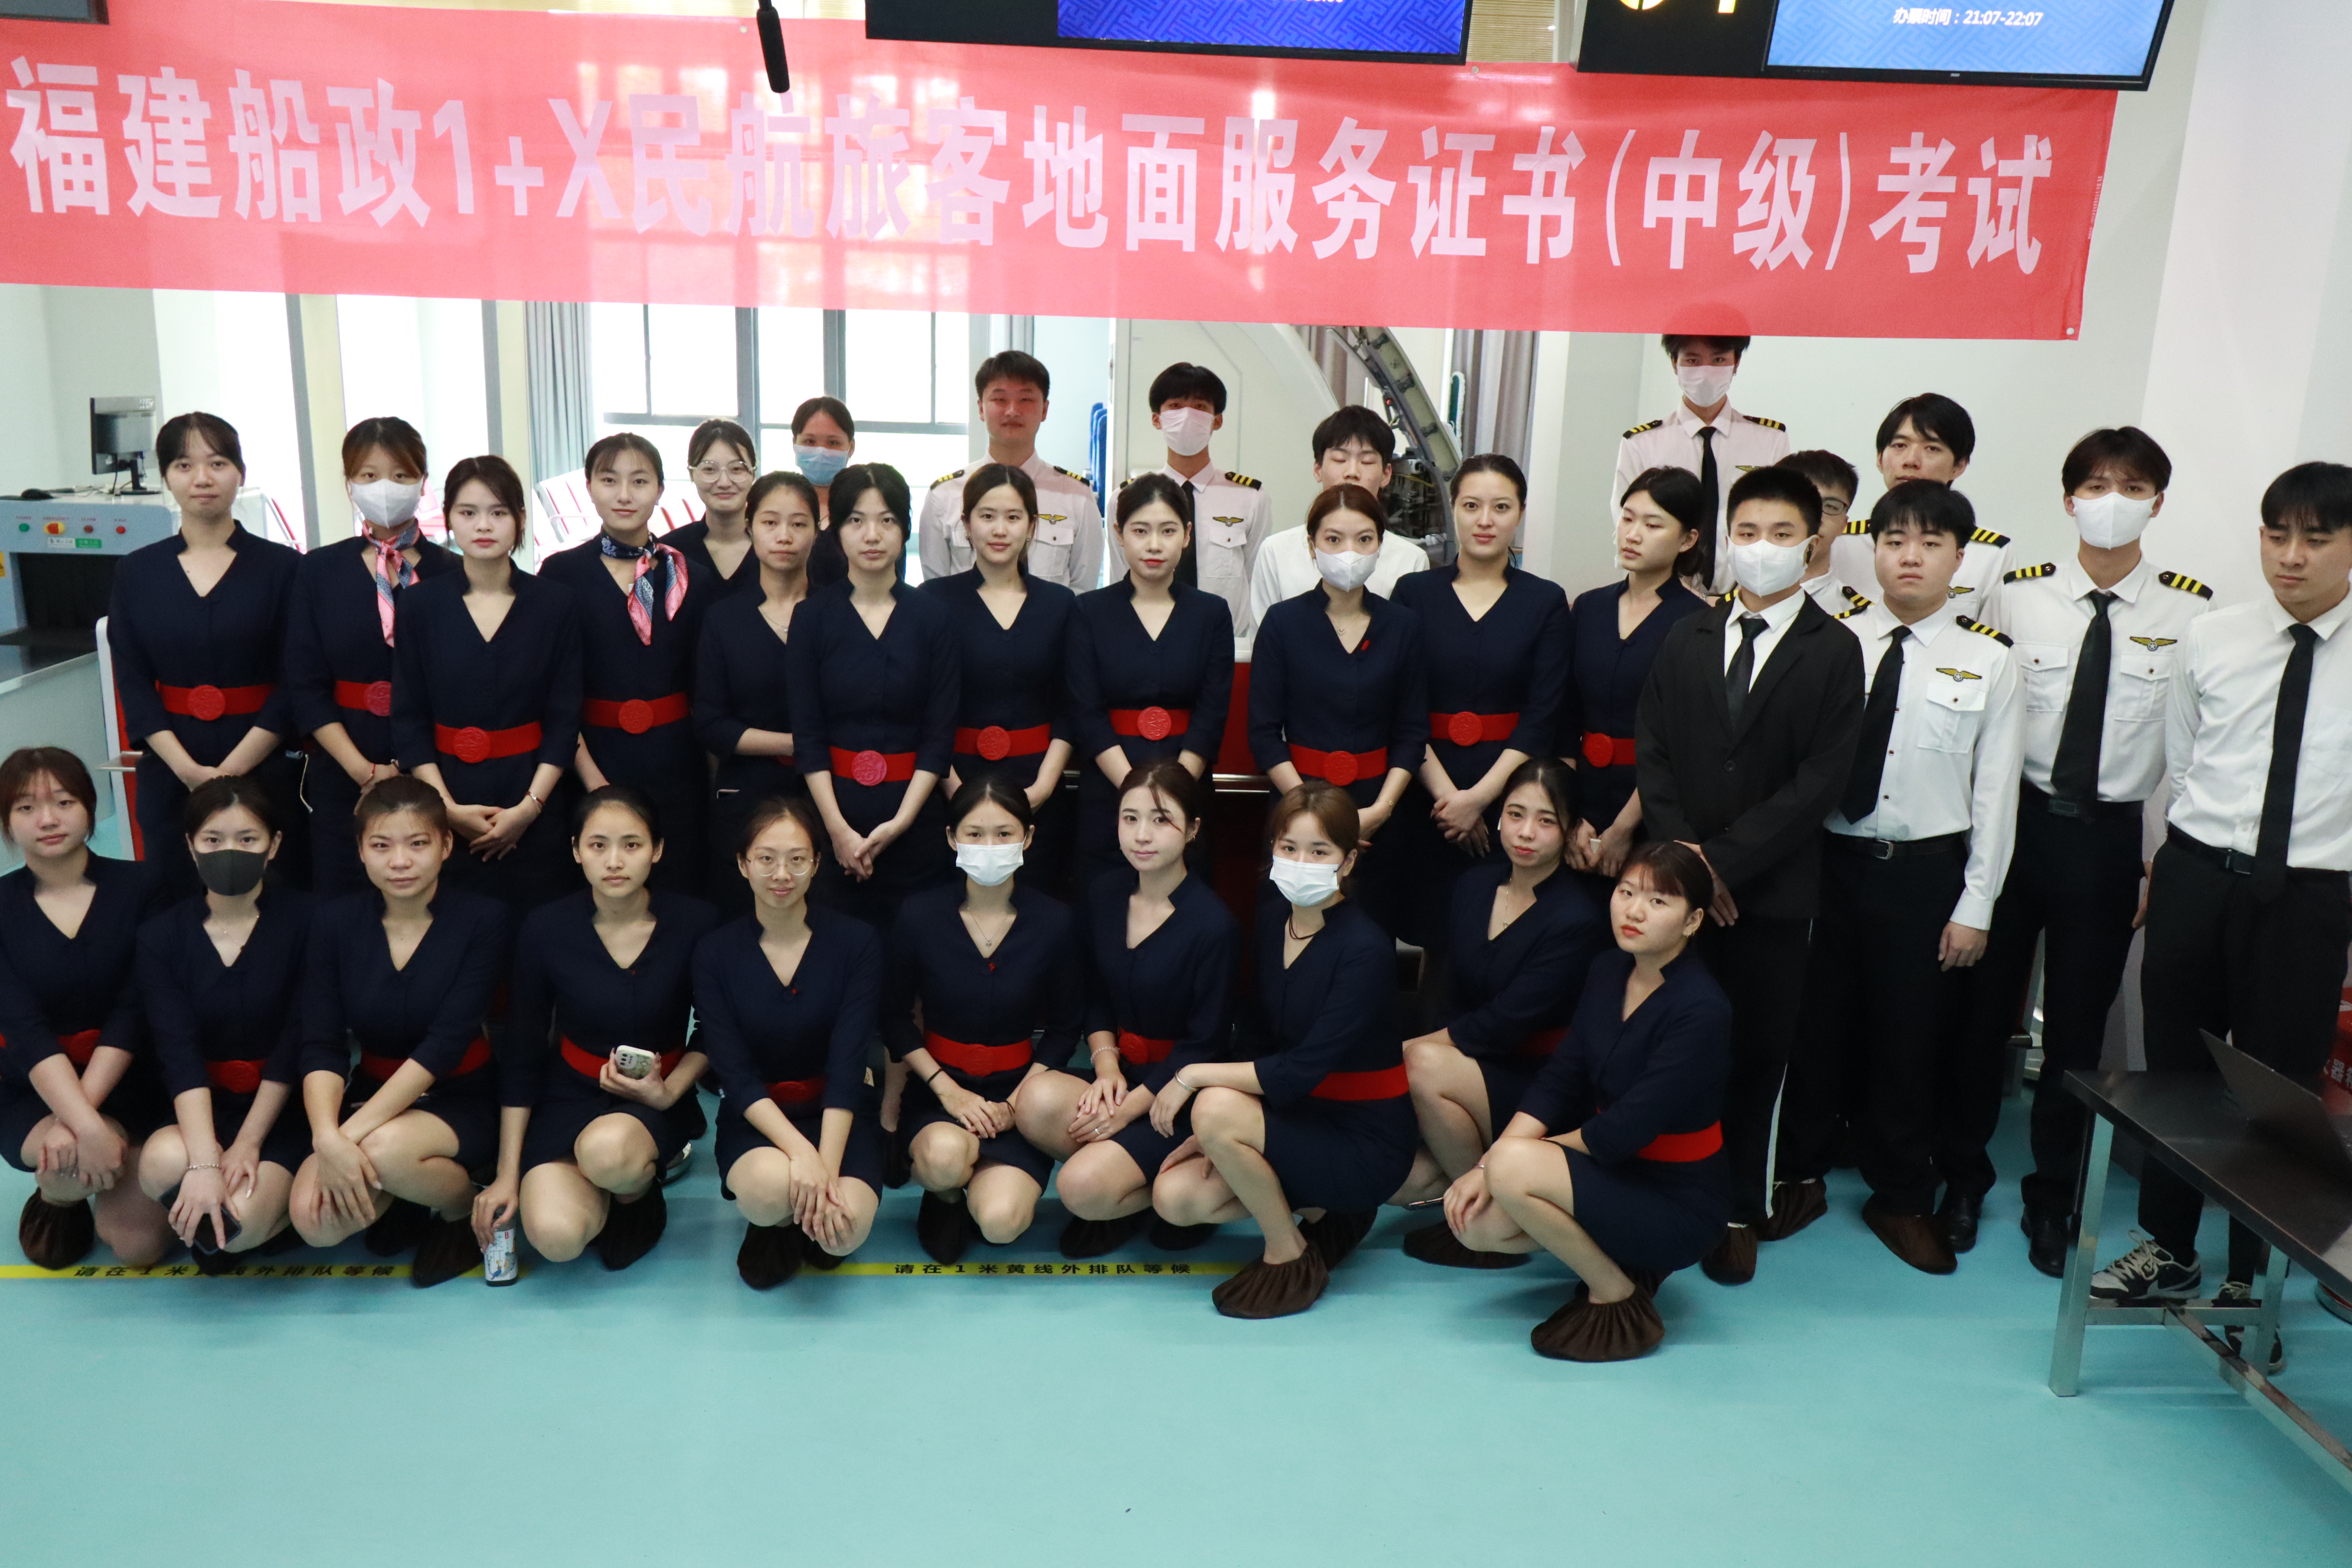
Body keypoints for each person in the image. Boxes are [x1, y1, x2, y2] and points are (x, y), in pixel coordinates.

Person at [2087, 461, 2352, 1375]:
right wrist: (2184, 864)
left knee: (2279, 1096)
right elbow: (2185, 755)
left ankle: (2252, 1279)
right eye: (2277, 535)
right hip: (2200, 875)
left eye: (2316, 538)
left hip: (2309, 894)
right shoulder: (2215, 635)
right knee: (2178, 1070)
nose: (2291, 556)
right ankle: (2168, 1247)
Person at [1953, 427, 2213, 1276]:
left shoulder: (2191, 612)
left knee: (2074, 1032)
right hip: (2017, 826)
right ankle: (1962, 1178)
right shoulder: (2018, 596)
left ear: (2157, 504)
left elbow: (2190, 752)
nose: (2112, 502)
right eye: (2096, 486)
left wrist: (2161, 857)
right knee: (1982, 1016)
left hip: (2107, 840)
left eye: (2131, 488)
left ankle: (2052, 1196)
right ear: (2068, 501)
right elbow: (1981, 723)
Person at [1778, 480, 2023, 1277]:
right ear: (1873, 550)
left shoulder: (1990, 659)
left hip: (1924, 875)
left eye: (1930, 543)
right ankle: (1798, 1174)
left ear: (1959, 558)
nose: (1910, 556)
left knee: (1910, 1040)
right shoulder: (1833, 640)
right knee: (1815, 1029)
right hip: (1828, 864)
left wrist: (1977, 903)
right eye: (1893, 541)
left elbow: (1996, 793)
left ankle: (1901, 1195)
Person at [1634, 465, 1864, 1285]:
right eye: (1747, 533)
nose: (1761, 548)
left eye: (1780, 534)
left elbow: (1821, 782)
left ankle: (1738, 1209)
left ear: (1813, 543)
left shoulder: (1835, 651)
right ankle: (1664, 1191)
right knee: (1672, 1048)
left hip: (1773, 895)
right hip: (1681, 894)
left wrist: (1723, 863)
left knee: (1759, 1053)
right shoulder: (1686, 635)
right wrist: (1692, 862)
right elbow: (1654, 750)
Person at [1443, 842, 1734, 1361]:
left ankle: (1615, 1294)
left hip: (1678, 1199)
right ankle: (1624, 1263)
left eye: (1658, 902)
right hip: (1615, 1172)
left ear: (1692, 921)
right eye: (1626, 892)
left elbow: (1623, 1130)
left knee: (1510, 1170)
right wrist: (1488, 1164)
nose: (1634, 911)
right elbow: (1560, 1078)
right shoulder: (1606, 969)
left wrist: (1507, 1163)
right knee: (1480, 1226)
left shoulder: (1702, 1008)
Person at [1149, 784, 1416, 1318]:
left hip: (1361, 1138)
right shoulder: (1274, 918)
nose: (1300, 863)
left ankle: (1288, 1252)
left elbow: (1300, 1071)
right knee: (1175, 1199)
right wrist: (1219, 1136)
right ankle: (1325, 1214)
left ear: (1347, 862)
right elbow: (1256, 1032)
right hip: (1297, 1116)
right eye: (1289, 847)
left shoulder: (1364, 948)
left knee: (1213, 1106)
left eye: (1319, 851)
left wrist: (1194, 1078)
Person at [288, 777, 511, 1288]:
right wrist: (325, 1136)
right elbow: (321, 1043)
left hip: (461, 1093)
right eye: (382, 846)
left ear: (446, 845)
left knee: (383, 1152)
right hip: (372, 1090)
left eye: (418, 844)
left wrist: (345, 1139)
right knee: (314, 1220)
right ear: (360, 851)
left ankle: (461, 1207)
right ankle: (410, 1195)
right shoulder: (333, 923)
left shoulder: (484, 920)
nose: (400, 862)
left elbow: (445, 1045)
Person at [1395, 759, 1607, 1266]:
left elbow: (1505, 1024)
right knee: (1398, 1179)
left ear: (1571, 830)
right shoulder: (1474, 885)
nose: (1526, 832)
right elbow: (1451, 996)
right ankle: (1471, 1204)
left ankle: (1486, 1211)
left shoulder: (1577, 916)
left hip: (1538, 1081)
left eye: (1546, 820)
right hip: (1472, 1063)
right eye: (1515, 814)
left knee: (1417, 1064)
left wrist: (1413, 1049)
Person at [495, 787, 715, 1273]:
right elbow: (524, 1049)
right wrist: (506, 1174)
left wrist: (669, 1092)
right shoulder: (545, 928)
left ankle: (637, 1195)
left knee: (607, 1152)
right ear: (576, 850)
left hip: (655, 1094)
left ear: (657, 850)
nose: (615, 861)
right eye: (598, 845)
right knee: (556, 1238)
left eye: (632, 845)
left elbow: (717, 1032)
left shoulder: (695, 923)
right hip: (569, 1091)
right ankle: (604, 1191)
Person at [1036, 762, 1239, 1257]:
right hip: (1122, 1075)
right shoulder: (1105, 892)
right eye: (1130, 818)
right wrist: (1106, 1067)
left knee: (1079, 1188)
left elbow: (1206, 1042)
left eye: (1161, 820)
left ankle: (1155, 1199)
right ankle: (1124, 1193)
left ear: (1192, 829)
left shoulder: (1213, 925)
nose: (1142, 835)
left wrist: (1128, 1109)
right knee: (1034, 1102)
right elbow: (1096, 995)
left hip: (1180, 1094)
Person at [107, 411, 303, 898]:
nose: (202, 478)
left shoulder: (284, 568)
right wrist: (187, 770)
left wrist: (235, 768)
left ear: (240, 473)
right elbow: (132, 679)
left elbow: (296, 676)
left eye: (217, 463)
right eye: (183, 465)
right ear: (166, 477)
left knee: (280, 892)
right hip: (172, 765)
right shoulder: (137, 572)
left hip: (265, 760)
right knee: (174, 894)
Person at [887, 778, 1083, 1263]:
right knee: (943, 1160)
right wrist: (947, 1091)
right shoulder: (918, 915)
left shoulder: (1056, 921)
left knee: (1001, 1224)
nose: (990, 847)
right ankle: (946, 1195)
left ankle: (981, 1184)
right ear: (952, 838)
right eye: (975, 834)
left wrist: (1017, 1104)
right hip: (939, 1089)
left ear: (1028, 838)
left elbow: (1065, 1028)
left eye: (1004, 834)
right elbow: (892, 1016)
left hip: (1016, 1092)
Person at [696, 796, 887, 1287]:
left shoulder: (857, 943)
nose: (781, 874)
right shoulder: (714, 954)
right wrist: (801, 1156)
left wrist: (824, 1167)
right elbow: (735, 1074)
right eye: (766, 858)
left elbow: (848, 1065)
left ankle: (806, 1218)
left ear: (816, 864)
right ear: (743, 864)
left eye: (797, 859)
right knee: (769, 1193)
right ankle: (777, 1225)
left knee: (844, 1231)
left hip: (838, 1114)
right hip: (758, 1116)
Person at [1390, 455, 1573, 955]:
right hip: (1426, 791)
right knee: (1430, 932)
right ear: (1453, 509)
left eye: (1501, 507)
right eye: (1471, 506)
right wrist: (1450, 799)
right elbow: (1403, 707)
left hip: (1510, 797)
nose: (1485, 520)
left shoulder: (1545, 601)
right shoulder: (1413, 593)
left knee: (1498, 938)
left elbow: (1542, 715)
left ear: (1521, 513)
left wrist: (1478, 801)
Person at [0, 748, 171, 1268]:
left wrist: (84, 1120)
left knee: (137, 1248)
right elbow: (23, 1028)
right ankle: (59, 1195)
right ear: (7, 822)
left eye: (64, 802)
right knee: (67, 1164)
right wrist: (84, 1125)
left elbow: (135, 1010)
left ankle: (103, 1160)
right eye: (26, 807)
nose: (48, 819)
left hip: (138, 1080)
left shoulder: (145, 886)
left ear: (91, 808)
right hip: (34, 1090)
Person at [133, 777, 312, 1270]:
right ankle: (213, 1221)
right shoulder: (160, 937)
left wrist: (249, 1142)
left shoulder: (311, 922)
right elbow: (178, 1053)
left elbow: (297, 1042)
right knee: (159, 1163)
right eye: (213, 839)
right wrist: (205, 1160)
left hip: (284, 1111)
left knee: (238, 1230)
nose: (229, 852)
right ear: (190, 846)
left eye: (247, 838)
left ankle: (269, 1221)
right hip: (204, 1110)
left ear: (274, 844)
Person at [393, 455, 583, 913]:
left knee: (536, 929)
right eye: (468, 512)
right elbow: (409, 718)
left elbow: (564, 719)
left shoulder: (556, 604)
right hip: (446, 800)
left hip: (533, 798)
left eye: (498, 512)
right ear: (448, 518)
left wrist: (529, 808)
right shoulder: (420, 605)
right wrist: (446, 809)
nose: (483, 525)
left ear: (520, 519)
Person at [284, 416, 460, 896]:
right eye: (369, 475)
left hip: (435, 768)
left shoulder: (454, 572)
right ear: (349, 484)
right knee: (344, 903)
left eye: (401, 475)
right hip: (344, 765)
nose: (385, 487)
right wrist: (365, 772)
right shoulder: (318, 570)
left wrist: (414, 769)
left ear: (423, 482)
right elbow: (304, 682)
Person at [1247, 484, 1429, 933]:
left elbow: (1411, 732)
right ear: (1312, 546)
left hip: (1376, 811)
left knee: (1370, 933)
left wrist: (1381, 809)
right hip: (1296, 806)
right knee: (1289, 930)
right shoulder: (1283, 623)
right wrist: (1308, 813)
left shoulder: (1403, 626)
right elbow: (1264, 732)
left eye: (1364, 539)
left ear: (1380, 546)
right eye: (1333, 539)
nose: (1349, 552)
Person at [541, 433, 716, 896]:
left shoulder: (691, 577)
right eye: (609, 480)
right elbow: (557, 692)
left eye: (639, 481)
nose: (624, 495)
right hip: (592, 757)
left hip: (676, 761)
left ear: (660, 490)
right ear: (589, 486)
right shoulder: (560, 574)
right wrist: (592, 779)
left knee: (678, 886)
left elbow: (707, 688)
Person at [788, 462, 958, 933]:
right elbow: (808, 735)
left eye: (887, 520)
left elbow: (939, 735)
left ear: (905, 530)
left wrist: (901, 823)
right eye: (856, 520)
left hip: (916, 820)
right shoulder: (812, 618)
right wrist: (838, 832)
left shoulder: (933, 618)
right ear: (836, 531)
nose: (872, 535)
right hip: (833, 819)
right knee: (838, 953)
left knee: (914, 953)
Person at [1065, 474, 1234, 890]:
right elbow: (1087, 714)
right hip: (1109, 784)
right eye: (1140, 531)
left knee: (1185, 904)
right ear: (1119, 534)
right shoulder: (1088, 611)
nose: (1154, 545)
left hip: (1186, 785)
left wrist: (1171, 797)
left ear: (1187, 535)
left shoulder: (1212, 613)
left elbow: (1211, 714)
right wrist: (1135, 795)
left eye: (1168, 531)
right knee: (1104, 903)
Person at [920, 463, 1077, 886]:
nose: (1000, 530)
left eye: (1013, 517)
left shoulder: (1061, 604)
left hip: (1037, 782)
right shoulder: (933, 602)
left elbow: (1070, 707)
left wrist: (1043, 788)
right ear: (966, 524)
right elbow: (925, 707)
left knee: (1036, 901)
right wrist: (956, 791)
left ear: (1033, 526)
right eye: (987, 516)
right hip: (953, 780)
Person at [1567, 468, 1712, 901]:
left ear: (1687, 540)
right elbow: (1565, 714)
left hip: (1651, 807)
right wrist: (1569, 812)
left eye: (1653, 525)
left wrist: (1622, 828)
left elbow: (1683, 740)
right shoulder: (1589, 607)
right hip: (1580, 799)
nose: (1632, 534)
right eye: (1627, 518)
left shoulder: (1698, 622)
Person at [694, 471, 816, 915]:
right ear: (750, 526)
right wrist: (797, 744)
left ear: (818, 530)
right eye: (770, 522)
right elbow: (711, 723)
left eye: (798, 523)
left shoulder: (836, 612)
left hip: (825, 794)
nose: (784, 536)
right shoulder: (723, 618)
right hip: (745, 794)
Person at [1613, 334, 1791, 589]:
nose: (1705, 374)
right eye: (1693, 361)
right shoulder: (1642, 443)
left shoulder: (1770, 439)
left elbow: (1782, 519)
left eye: (1718, 360)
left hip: (1747, 592)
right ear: (1675, 363)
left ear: (1736, 363)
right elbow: (1627, 521)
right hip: (1664, 592)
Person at [918, 351, 1103, 593]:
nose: (1013, 411)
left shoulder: (1076, 495)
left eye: (1026, 400)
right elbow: (936, 593)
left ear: (1045, 409)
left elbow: (1083, 592)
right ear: (981, 408)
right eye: (1000, 400)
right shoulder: (944, 495)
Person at [1830, 394, 2015, 623]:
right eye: (1899, 445)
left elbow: (1992, 638)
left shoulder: (1991, 553)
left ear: (1959, 465)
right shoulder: (1839, 542)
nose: (1911, 460)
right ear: (1880, 459)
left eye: (1932, 448)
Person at [1246, 406, 1429, 628]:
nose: (1352, 472)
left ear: (1386, 474)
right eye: (1340, 460)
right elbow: (1262, 638)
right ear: (1318, 469)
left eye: (1367, 462)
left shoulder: (1411, 560)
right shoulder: (1276, 552)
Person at [1144, 361, 1273, 635]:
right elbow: (1123, 578)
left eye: (1200, 406)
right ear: (1157, 419)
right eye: (1176, 406)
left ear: (1217, 420)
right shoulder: (1131, 497)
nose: (1187, 416)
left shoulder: (1250, 497)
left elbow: (1257, 580)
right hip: (1151, 639)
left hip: (1227, 644)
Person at [665, 418, 761, 596]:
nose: (724, 483)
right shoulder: (670, 552)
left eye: (737, 469)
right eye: (709, 470)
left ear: (753, 473)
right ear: (692, 474)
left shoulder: (776, 547)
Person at [1776, 449, 1871, 618]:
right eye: (1801, 502)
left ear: (1843, 524)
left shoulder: (1860, 617)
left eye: (1831, 506)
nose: (1815, 518)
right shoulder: (1730, 606)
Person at [791, 396, 857, 590]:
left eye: (833, 443)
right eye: (810, 441)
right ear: (795, 444)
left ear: (851, 447)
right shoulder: (777, 504)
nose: (821, 451)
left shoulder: (863, 505)